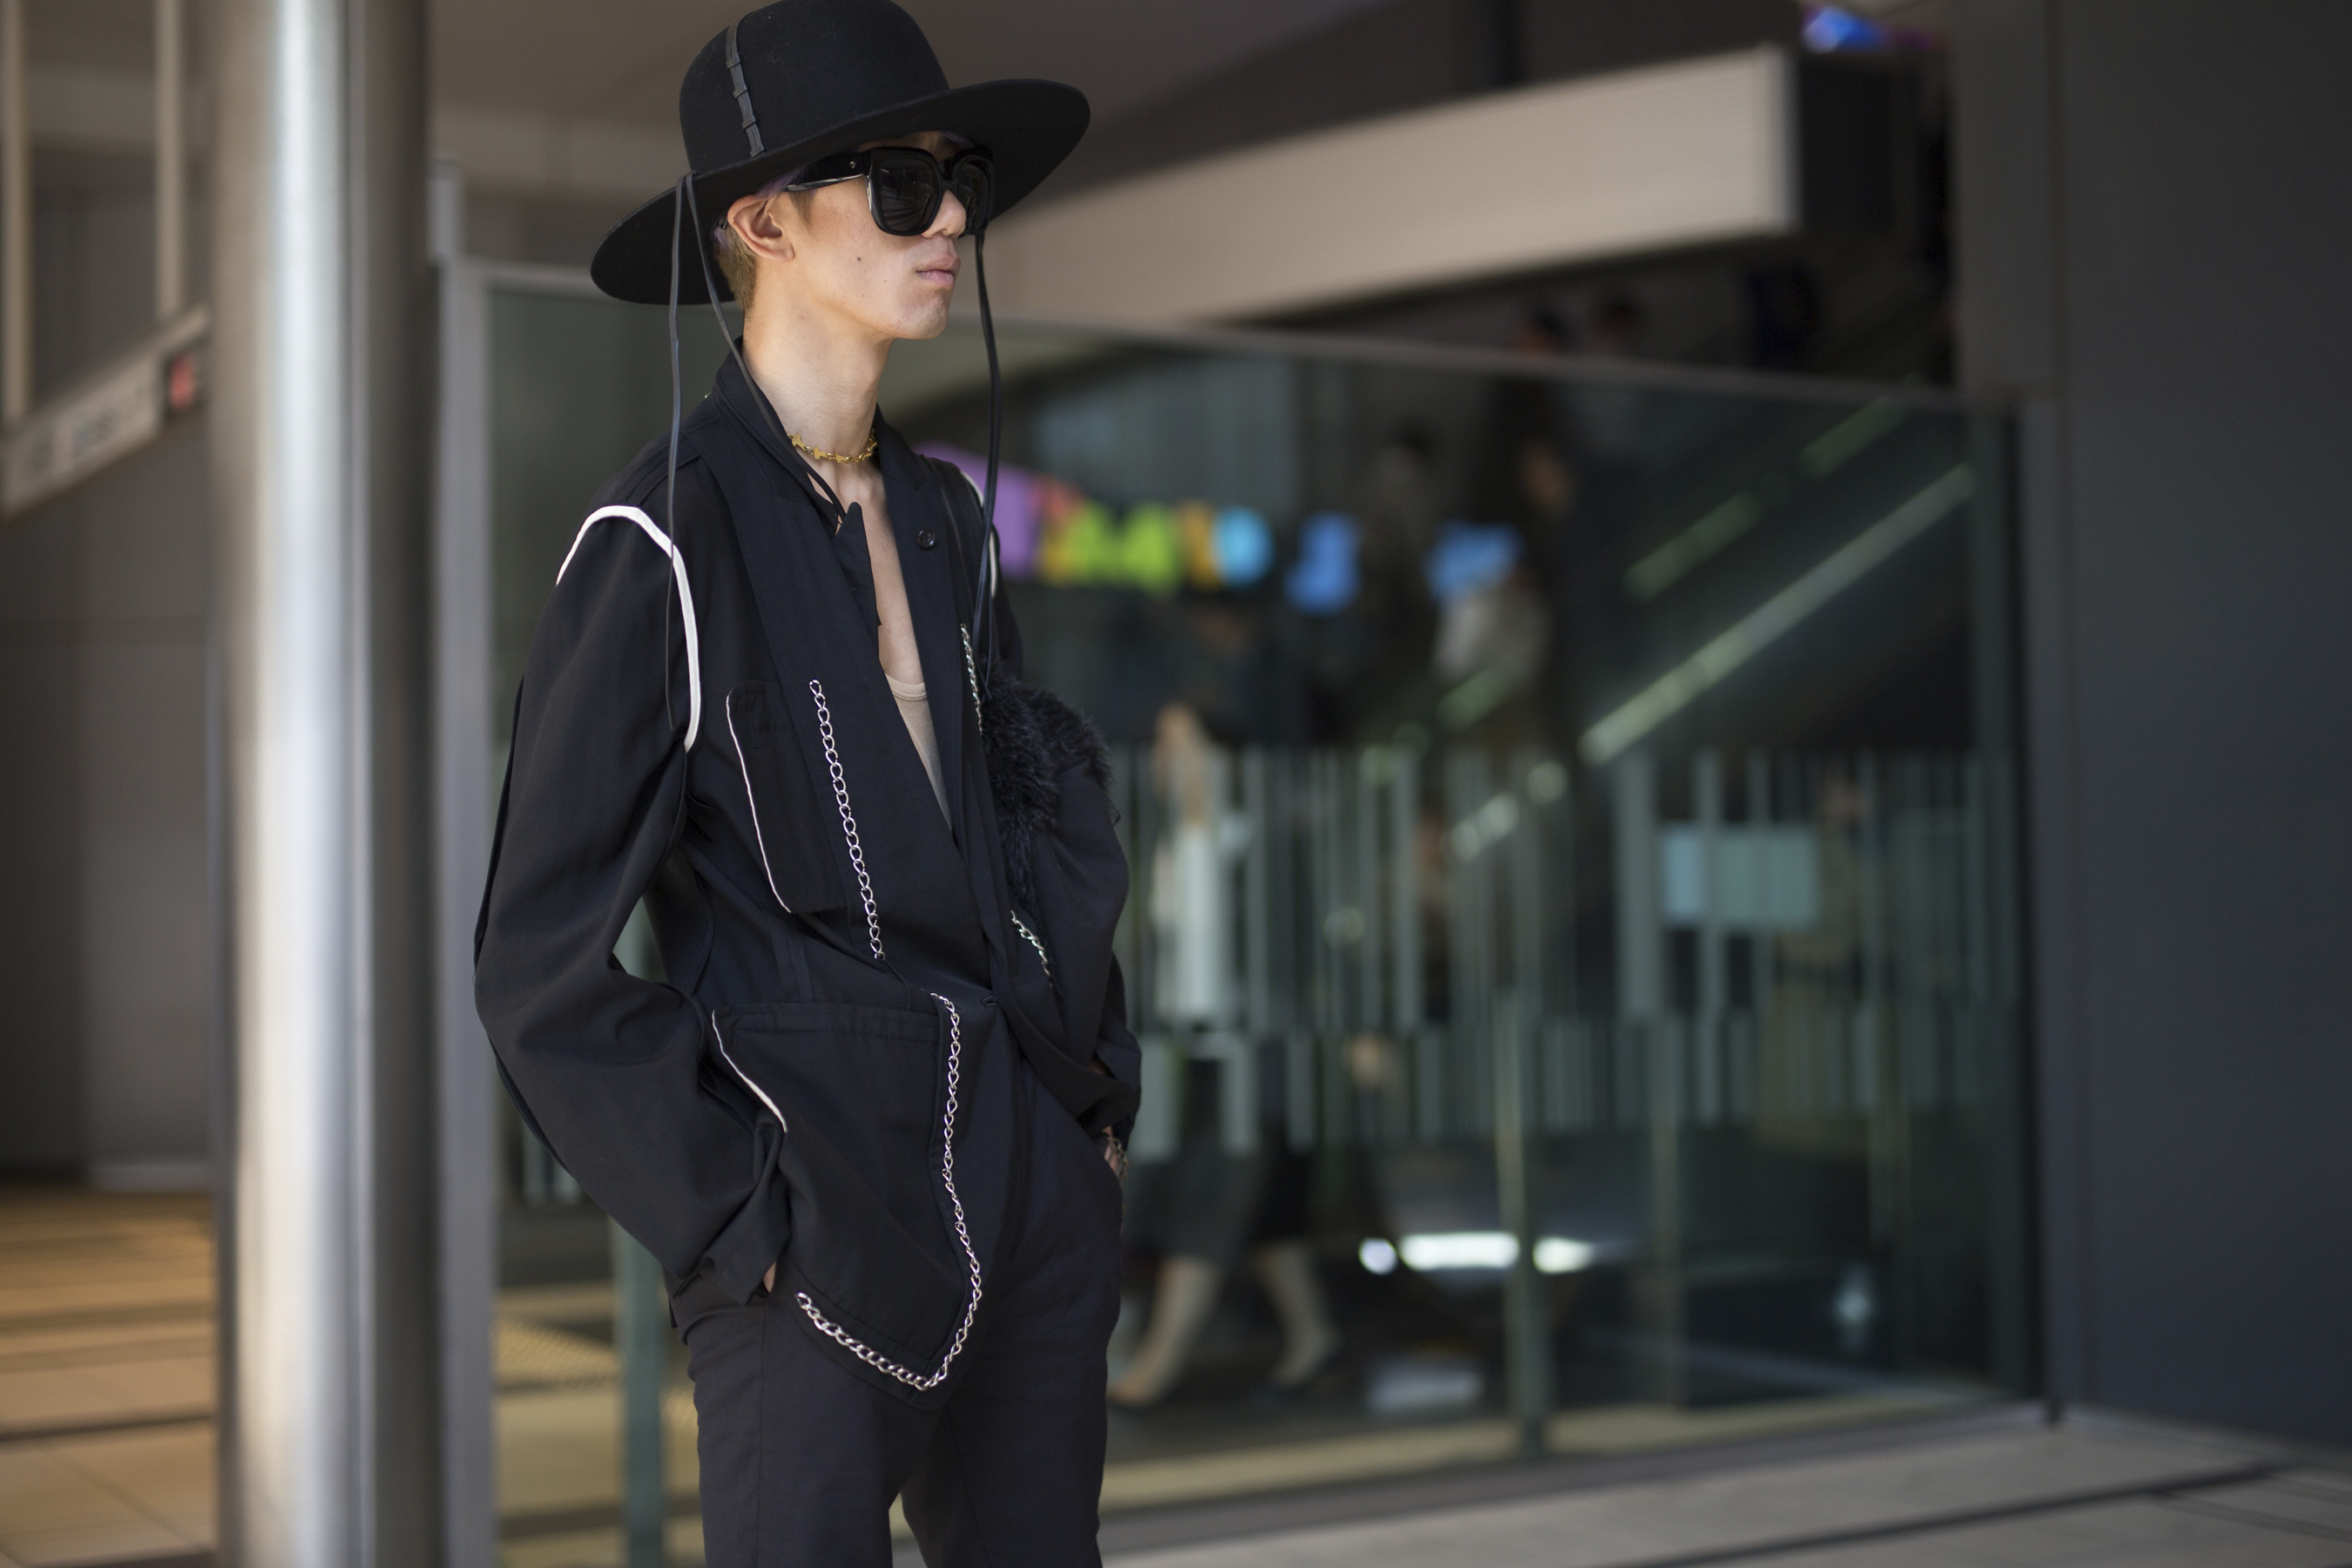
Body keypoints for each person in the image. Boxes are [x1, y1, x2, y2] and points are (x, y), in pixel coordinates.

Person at [472, 5, 1138, 1564]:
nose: (950, 216)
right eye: (900, 186)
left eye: (959, 179)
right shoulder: (660, 544)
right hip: (815, 1226)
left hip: (1026, 1189)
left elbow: (1025, 834)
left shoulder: (949, 525)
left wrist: (1086, 1111)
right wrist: (737, 1216)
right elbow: (536, 963)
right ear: (764, 224)